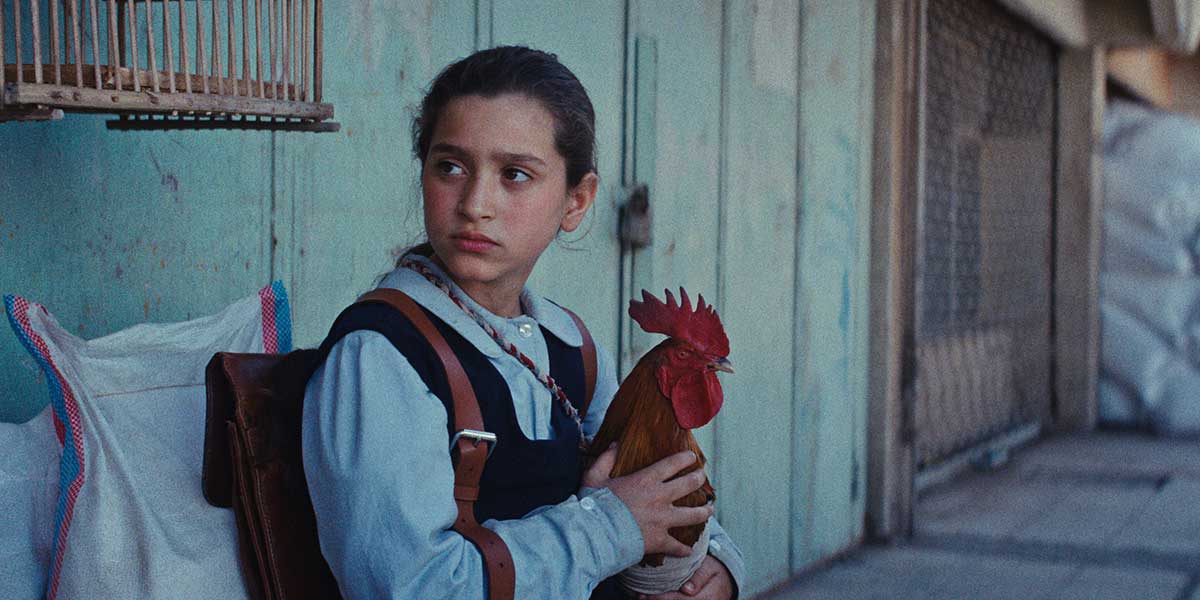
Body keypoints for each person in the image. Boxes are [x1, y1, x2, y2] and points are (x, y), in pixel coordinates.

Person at [301, 45, 744, 600]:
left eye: (514, 174)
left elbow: (650, 483)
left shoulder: (571, 345)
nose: (475, 203)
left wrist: (716, 565)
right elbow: (409, 587)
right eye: (450, 166)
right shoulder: (381, 357)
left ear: (576, 201)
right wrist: (610, 526)